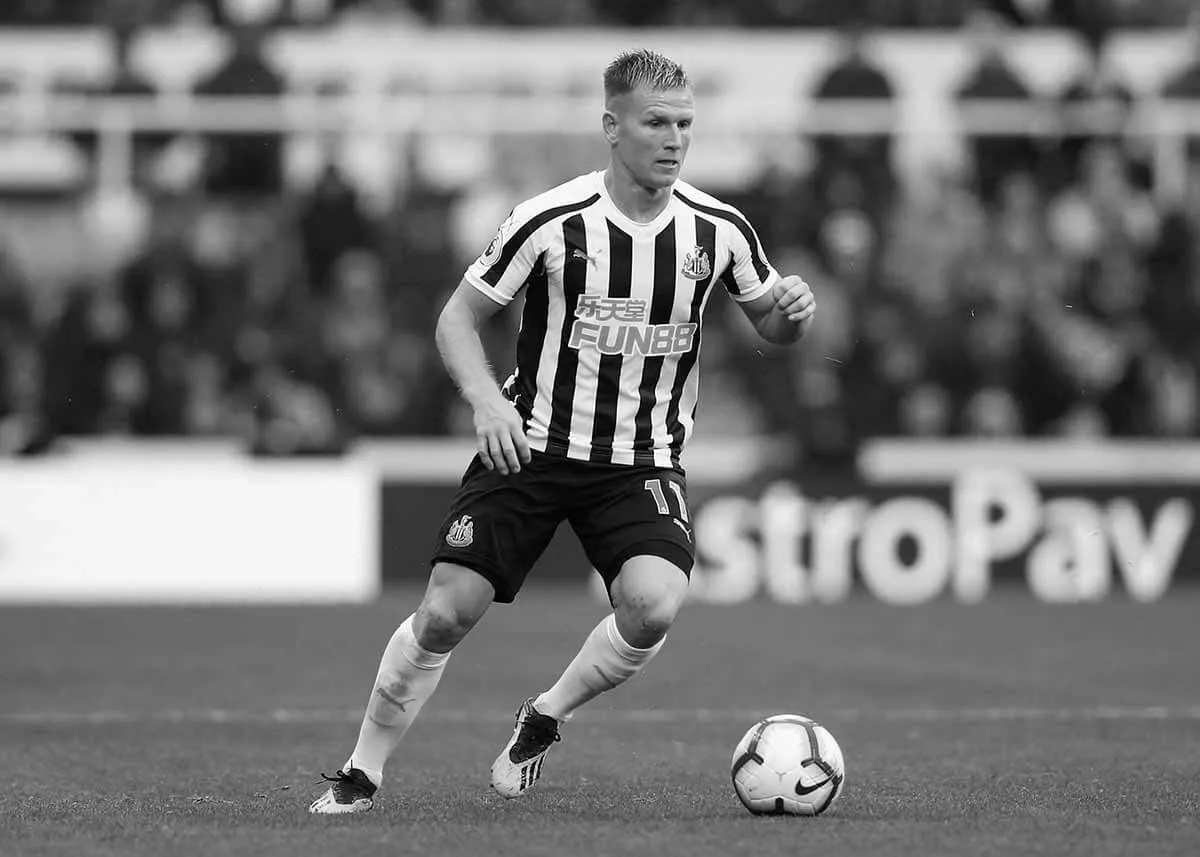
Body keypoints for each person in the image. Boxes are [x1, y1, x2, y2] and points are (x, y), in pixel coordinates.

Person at [308, 48, 816, 814]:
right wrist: (487, 400)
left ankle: (546, 713)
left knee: (653, 605)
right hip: (532, 443)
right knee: (446, 611)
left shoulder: (721, 228)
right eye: (656, 123)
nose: (674, 139)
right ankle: (362, 769)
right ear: (612, 127)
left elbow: (769, 323)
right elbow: (457, 318)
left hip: (639, 460)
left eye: (685, 124)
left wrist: (790, 317)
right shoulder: (549, 220)